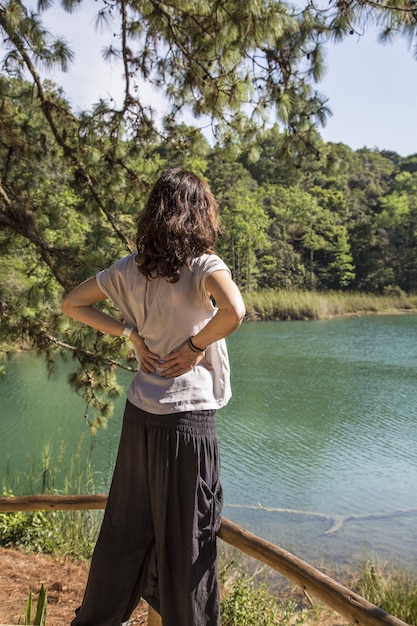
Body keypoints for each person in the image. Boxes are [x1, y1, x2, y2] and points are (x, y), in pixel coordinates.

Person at [61, 167, 246, 626]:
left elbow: (72, 303)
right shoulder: (204, 264)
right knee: (188, 543)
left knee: (126, 530)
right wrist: (194, 347)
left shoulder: (129, 268)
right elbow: (235, 312)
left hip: (140, 417)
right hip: (188, 424)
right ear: (200, 214)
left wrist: (130, 335)